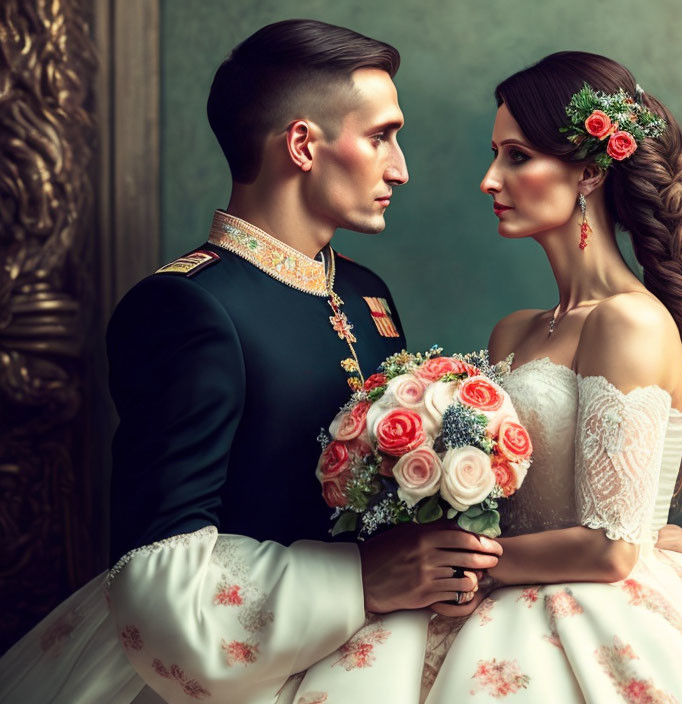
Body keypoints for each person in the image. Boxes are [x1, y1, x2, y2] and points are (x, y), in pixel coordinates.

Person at [286, 52, 682, 703]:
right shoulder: (514, 331)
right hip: (488, 602)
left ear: (590, 170)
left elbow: (610, 550)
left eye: (516, 155)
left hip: (593, 610)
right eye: (495, 153)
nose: (489, 178)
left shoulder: (629, 325)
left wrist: (455, 564)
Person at [0, 20, 502, 704]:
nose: (400, 167)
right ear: (302, 144)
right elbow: (157, 581)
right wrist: (359, 580)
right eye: (381, 136)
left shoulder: (365, 292)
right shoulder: (186, 306)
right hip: (231, 672)